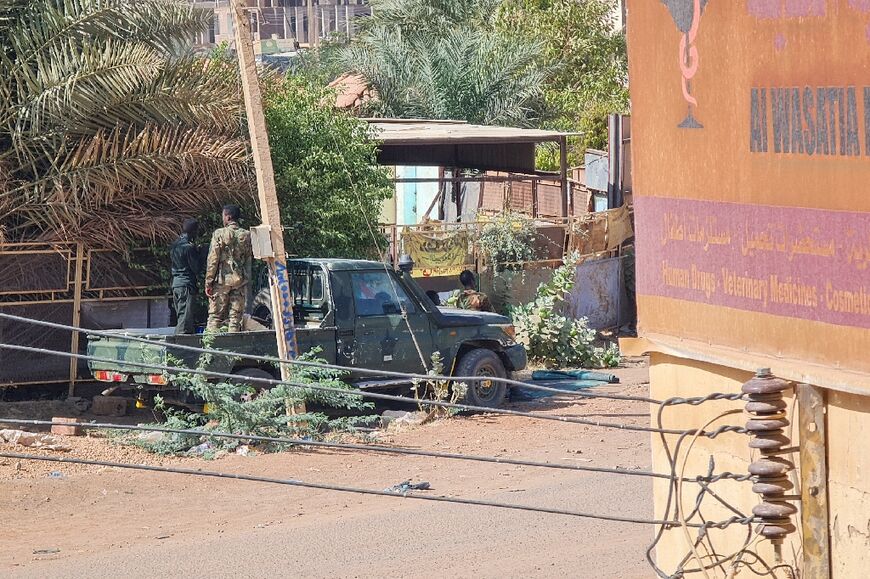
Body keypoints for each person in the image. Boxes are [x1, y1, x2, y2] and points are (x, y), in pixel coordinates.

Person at [205, 204, 252, 333]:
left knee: (215, 316)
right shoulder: (247, 235)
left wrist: (209, 282)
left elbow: (213, 260)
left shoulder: (219, 234)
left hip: (222, 280)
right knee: (235, 318)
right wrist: (246, 279)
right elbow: (248, 260)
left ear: (228, 217)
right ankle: (233, 343)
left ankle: (211, 343)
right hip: (240, 280)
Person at [170, 218, 201, 334]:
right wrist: (200, 254)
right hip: (186, 285)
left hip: (176, 284)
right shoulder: (189, 247)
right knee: (185, 319)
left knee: (181, 315)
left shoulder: (174, 245)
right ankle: (181, 342)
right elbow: (196, 268)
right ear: (194, 231)